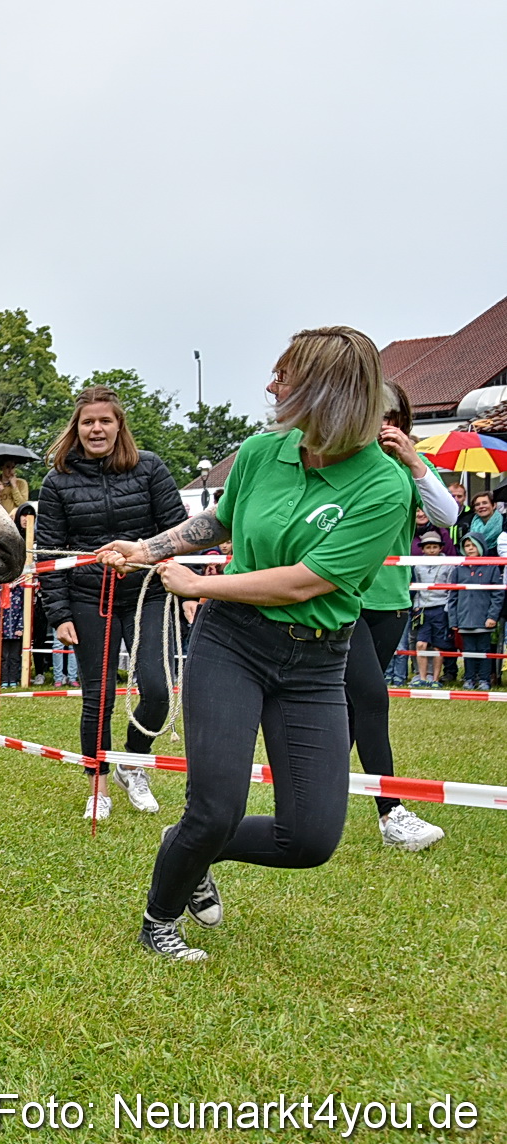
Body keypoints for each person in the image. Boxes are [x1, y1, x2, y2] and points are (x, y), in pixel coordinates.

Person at [103, 326, 414, 962]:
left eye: (285, 376)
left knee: (310, 839)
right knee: (216, 806)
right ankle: (160, 918)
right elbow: (219, 521)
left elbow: (306, 582)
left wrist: (201, 587)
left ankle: (187, 845)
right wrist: (153, 548)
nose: (271, 386)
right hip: (234, 647)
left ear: (329, 394)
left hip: (317, 663)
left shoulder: (384, 487)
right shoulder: (259, 452)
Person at [37, 385, 188, 820]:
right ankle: (98, 788)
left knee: (158, 691)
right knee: (97, 696)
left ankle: (132, 763)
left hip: (147, 594)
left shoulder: (150, 469)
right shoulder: (58, 480)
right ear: (77, 428)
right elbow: (49, 551)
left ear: (119, 425)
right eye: (88, 422)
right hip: (88, 597)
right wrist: (60, 614)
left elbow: (175, 532)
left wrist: (178, 580)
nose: (96, 428)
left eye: (105, 420)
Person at [342, 382, 455, 850]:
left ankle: (309, 797)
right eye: (375, 413)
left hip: (391, 604)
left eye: (391, 416)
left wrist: (413, 461)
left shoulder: (407, 466)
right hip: (341, 600)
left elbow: (446, 516)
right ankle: (392, 812)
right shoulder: (340, 460)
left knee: (349, 713)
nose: (382, 424)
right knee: (372, 699)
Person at [447, 534, 501, 691]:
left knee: (484, 651)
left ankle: (484, 679)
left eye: (473, 545)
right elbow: (453, 596)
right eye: (467, 545)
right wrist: (453, 620)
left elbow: (498, 595)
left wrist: (492, 616)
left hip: (484, 619)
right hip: (464, 619)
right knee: (468, 651)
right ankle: (469, 678)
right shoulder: (459, 569)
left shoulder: (491, 568)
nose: (470, 548)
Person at [411, 532, 452, 687]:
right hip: (423, 608)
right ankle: (422, 677)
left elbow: (450, 588)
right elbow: (416, 587)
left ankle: (435, 679)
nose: (432, 550)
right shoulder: (418, 565)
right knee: (420, 643)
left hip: (440, 607)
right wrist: (416, 606)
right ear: (423, 549)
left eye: (435, 547)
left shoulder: (448, 565)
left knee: (437, 645)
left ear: (440, 548)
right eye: (428, 547)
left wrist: (447, 608)